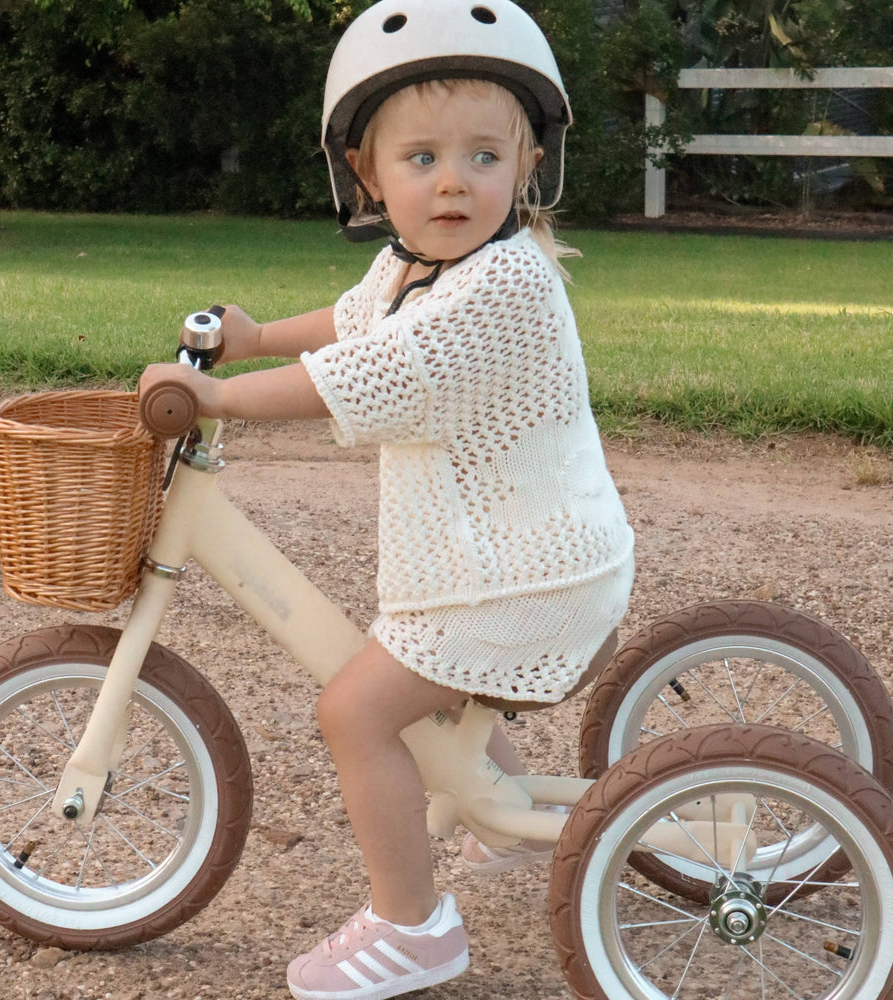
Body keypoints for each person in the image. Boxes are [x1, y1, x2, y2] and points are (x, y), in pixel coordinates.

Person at [139, 0, 634, 996]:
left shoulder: (499, 289)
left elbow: (366, 373)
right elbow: (357, 319)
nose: (453, 180)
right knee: (411, 668)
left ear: (527, 163)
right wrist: (256, 338)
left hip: (526, 578)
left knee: (356, 709)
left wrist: (219, 397)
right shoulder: (421, 265)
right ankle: (495, 804)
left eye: (483, 157)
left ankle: (412, 929)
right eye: (422, 159)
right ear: (368, 174)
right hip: (511, 560)